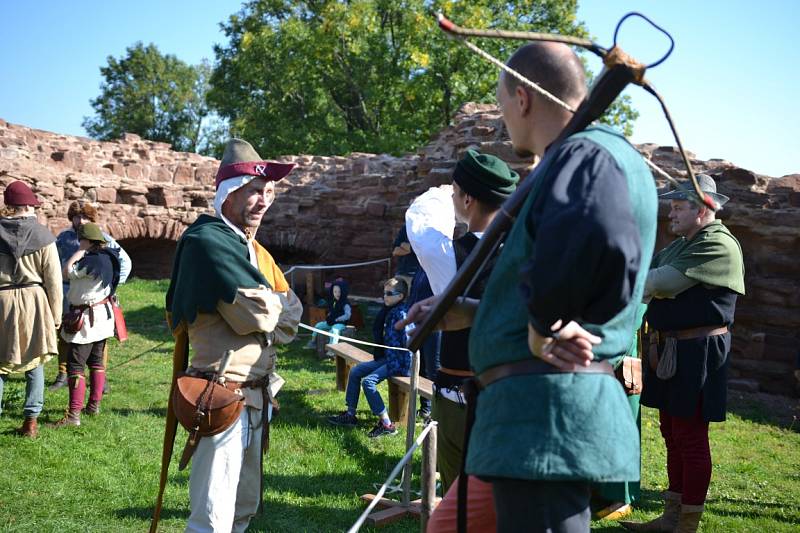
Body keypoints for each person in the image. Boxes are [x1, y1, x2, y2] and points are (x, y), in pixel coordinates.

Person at [402, 41, 657, 532]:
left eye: (503, 106)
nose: (504, 121)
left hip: (546, 416)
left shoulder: (588, 155)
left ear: (523, 98)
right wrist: (476, 313)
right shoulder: (581, 157)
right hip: (520, 419)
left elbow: (602, 238)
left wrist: (547, 324)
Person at [165, 138, 303, 532]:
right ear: (229, 193)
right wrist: (276, 309)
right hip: (220, 396)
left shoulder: (254, 250)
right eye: (254, 191)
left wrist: (276, 309)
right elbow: (258, 315)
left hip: (256, 397)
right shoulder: (207, 241)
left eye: (269, 192)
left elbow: (290, 315)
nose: (263, 201)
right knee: (211, 515)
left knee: (242, 508)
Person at [621, 174, 744, 533]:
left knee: (690, 436)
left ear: (704, 208)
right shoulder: (682, 244)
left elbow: (656, 283)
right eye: (671, 207)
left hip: (699, 351)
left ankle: (686, 524)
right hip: (672, 347)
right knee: (672, 432)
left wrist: (652, 285)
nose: (670, 214)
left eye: (678, 207)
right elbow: (651, 276)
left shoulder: (718, 244)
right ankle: (671, 518)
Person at [404, 150, 519, 495]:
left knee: (461, 502)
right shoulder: (528, 254)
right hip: (515, 396)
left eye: (457, 193)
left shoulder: (448, 256)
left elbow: (420, 219)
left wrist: (441, 193)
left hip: (459, 399)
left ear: (467, 198)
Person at [0, 181, 62, 438]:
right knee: (34, 361)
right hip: (34, 302)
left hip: (1, 302)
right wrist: (56, 316)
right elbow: (54, 280)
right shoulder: (43, 236)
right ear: (27, 206)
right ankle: (31, 423)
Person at [50, 200, 132, 390]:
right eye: (77, 216)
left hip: (95, 297)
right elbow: (52, 264)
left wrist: (109, 285)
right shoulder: (64, 238)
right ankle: (63, 373)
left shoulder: (102, 238)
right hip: (67, 292)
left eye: (85, 216)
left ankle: (99, 378)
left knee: (98, 336)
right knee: (65, 332)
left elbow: (124, 262)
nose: (81, 220)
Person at [50, 223, 121, 427]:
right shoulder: (109, 257)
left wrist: (79, 252)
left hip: (88, 320)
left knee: (75, 365)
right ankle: (93, 406)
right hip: (103, 317)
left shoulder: (89, 261)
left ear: (87, 241)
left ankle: (73, 416)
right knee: (97, 362)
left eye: (81, 240)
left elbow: (66, 272)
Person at [328, 277, 409, 438]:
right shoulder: (388, 310)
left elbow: (408, 342)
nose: (385, 296)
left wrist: (399, 361)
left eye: (389, 293)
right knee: (356, 371)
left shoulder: (402, 314)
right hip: (386, 358)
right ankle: (350, 415)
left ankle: (387, 424)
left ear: (400, 296)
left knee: (368, 382)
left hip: (398, 362)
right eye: (384, 292)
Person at [306, 279, 351, 348]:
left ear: (344, 292)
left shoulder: (345, 303)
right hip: (331, 322)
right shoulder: (334, 301)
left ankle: (332, 348)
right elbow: (332, 311)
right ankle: (313, 341)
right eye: (335, 291)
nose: (337, 294)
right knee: (318, 325)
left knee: (334, 331)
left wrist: (339, 319)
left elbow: (347, 315)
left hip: (340, 323)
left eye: (339, 292)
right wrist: (329, 315)